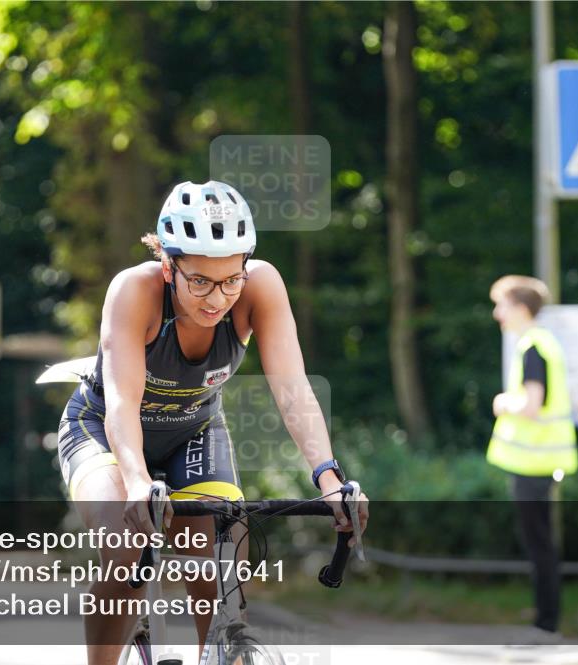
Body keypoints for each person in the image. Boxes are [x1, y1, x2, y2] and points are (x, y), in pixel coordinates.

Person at [58, 180, 368, 665]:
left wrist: (329, 478)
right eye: (199, 280)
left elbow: (292, 387)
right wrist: (137, 481)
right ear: (168, 265)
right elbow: (122, 401)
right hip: (102, 427)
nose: (216, 298)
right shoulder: (134, 291)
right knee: (125, 547)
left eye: (231, 279)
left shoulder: (261, 285)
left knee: (218, 560)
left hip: (194, 430)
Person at [487, 275, 578, 640]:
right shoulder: (541, 344)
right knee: (542, 543)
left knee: (539, 544)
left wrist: (501, 402)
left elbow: (531, 404)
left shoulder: (533, 347)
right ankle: (545, 618)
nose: (497, 314)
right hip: (542, 463)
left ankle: (546, 623)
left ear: (521, 309)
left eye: (502, 305)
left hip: (534, 464)